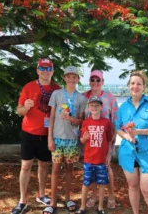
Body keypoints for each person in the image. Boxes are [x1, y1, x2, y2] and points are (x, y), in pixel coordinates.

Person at [12, 58, 61, 214]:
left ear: (52, 71)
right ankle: (22, 200)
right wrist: (25, 107)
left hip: (47, 135)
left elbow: (63, 110)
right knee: (25, 166)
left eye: (48, 69)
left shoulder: (57, 89)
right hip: (29, 133)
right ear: (37, 70)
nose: (45, 71)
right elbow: (18, 111)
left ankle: (41, 194)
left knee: (44, 165)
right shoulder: (29, 87)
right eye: (42, 68)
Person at [116, 70, 148, 214]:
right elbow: (118, 128)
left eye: (139, 84)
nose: (135, 86)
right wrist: (127, 136)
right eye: (132, 83)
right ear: (129, 85)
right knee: (132, 186)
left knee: (147, 190)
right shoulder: (123, 107)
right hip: (128, 152)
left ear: (144, 87)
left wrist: (140, 132)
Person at [43, 66, 87, 214]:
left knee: (69, 169)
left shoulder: (82, 98)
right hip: (57, 138)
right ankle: (53, 202)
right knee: (55, 169)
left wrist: (71, 119)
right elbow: (51, 117)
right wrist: (50, 138)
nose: (71, 79)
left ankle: (68, 198)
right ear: (64, 78)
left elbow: (81, 121)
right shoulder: (56, 94)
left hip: (72, 140)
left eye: (74, 77)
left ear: (78, 79)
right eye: (69, 76)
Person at [82, 70, 118, 209]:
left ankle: (111, 195)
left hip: (106, 141)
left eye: (98, 80)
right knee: (91, 169)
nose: (95, 83)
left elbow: (115, 120)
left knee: (106, 168)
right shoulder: (85, 96)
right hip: (90, 141)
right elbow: (81, 117)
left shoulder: (110, 97)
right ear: (89, 81)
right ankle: (94, 195)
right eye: (93, 80)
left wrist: (111, 145)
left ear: (102, 82)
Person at [76, 95, 113, 214]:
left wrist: (108, 155)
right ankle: (82, 207)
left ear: (101, 107)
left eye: (97, 105)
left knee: (101, 184)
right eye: (92, 105)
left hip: (101, 160)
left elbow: (109, 140)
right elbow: (81, 140)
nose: (94, 107)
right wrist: (84, 138)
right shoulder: (85, 122)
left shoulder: (106, 123)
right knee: (86, 183)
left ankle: (100, 207)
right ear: (88, 107)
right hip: (89, 159)